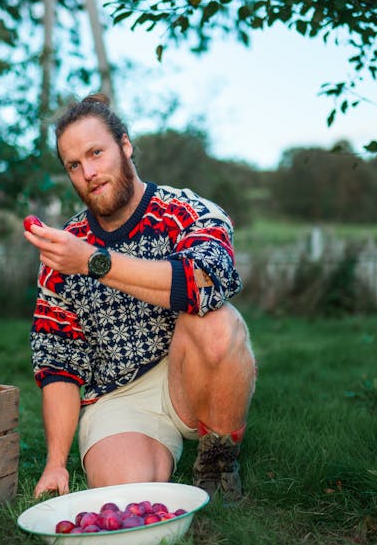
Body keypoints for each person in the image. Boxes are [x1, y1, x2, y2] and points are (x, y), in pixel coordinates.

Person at [24, 93, 256, 501]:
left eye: (97, 153)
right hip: (119, 397)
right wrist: (56, 463)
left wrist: (93, 262)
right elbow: (59, 363)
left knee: (218, 322)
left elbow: (202, 282)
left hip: (191, 373)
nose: (89, 173)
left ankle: (218, 462)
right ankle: (145, 458)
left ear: (125, 145)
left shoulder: (185, 210)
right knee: (128, 496)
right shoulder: (65, 249)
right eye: (74, 166)